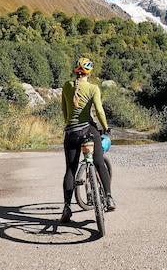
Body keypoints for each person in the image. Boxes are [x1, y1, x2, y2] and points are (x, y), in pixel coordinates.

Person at [60, 57, 116, 223]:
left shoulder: (67, 86)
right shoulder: (93, 88)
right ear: (89, 72)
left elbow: (64, 110)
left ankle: (67, 207)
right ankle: (108, 198)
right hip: (88, 130)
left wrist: (69, 124)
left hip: (71, 132)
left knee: (70, 169)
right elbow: (99, 111)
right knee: (99, 163)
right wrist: (105, 127)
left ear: (75, 70)